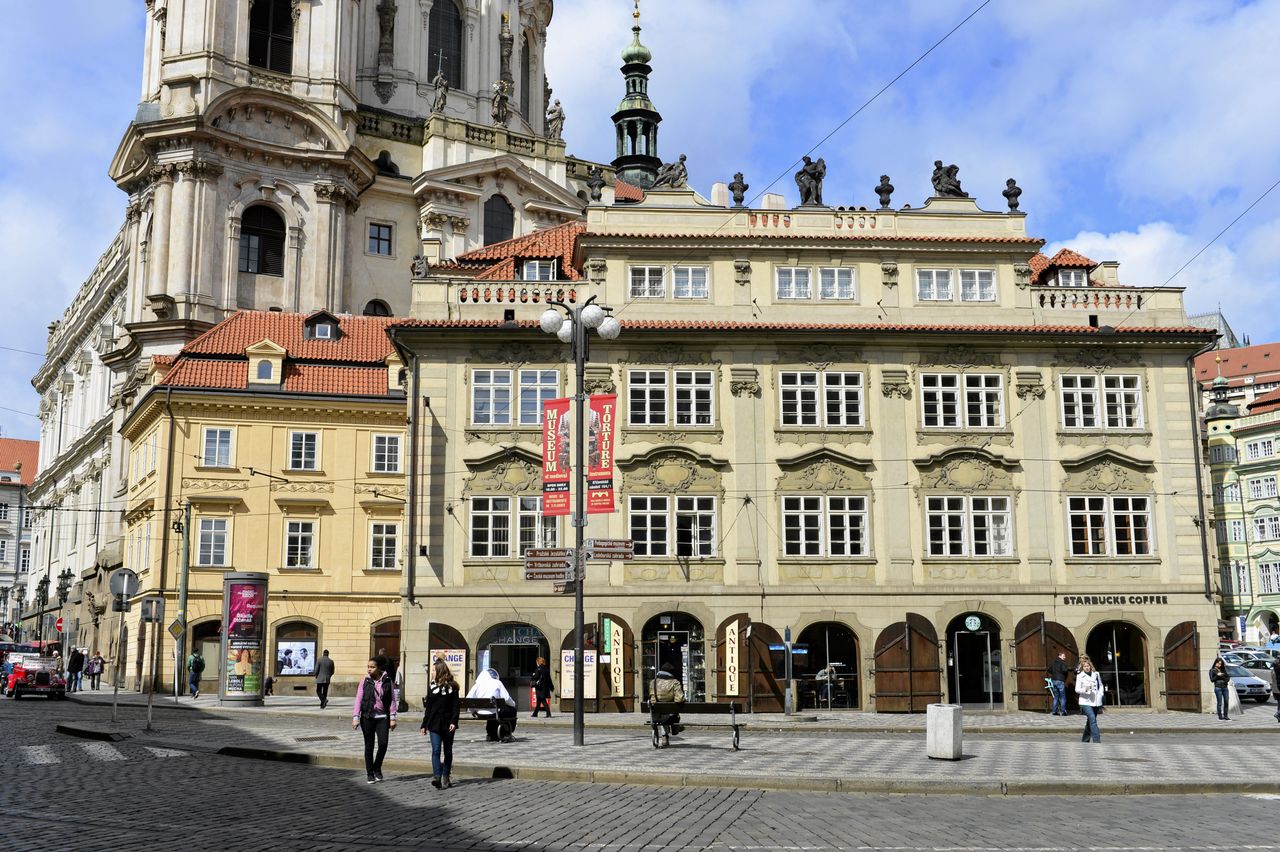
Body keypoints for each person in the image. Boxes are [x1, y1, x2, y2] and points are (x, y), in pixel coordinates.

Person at [352, 655, 398, 783]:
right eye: (368, 667)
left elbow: (392, 700)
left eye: (372, 667)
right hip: (367, 717)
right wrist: (355, 717)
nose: (369, 669)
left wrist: (393, 717)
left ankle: (377, 767)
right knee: (369, 746)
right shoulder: (365, 681)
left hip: (382, 717)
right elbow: (358, 699)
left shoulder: (387, 680)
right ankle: (370, 773)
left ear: (379, 668)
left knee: (383, 744)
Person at [420, 658, 461, 789]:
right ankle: (437, 776)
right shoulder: (432, 687)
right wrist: (424, 725)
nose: (431, 673)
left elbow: (456, 706)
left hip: (448, 723)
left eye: (433, 670)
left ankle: (446, 776)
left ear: (439, 671)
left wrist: (454, 722)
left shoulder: (453, 687)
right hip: (434, 723)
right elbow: (429, 708)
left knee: (447, 751)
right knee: (436, 750)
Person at [466, 668, 517, 742]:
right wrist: (513, 704)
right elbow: (506, 698)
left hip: (480, 713)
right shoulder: (497, 683)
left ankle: (491, 734)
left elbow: (468, 699)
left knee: (492, 710)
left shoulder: (477, 685)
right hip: (494, 712)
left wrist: (473, 711)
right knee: (511, 711)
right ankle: (507, 733)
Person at [650, 662, 685, 747]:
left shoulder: (653, 682)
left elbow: (652, 697)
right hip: (669, 714)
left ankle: (665, 736)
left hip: (656, 713)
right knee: (671, 713)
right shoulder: (675, 682)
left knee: (663, 712)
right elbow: (679, 699)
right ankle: (671, 731)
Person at [1075, 654, 1104, 743]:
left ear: (1090, 666)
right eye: (1084, 666)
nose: (1086, 668)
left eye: (1088, 666)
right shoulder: (1080, 676)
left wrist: (1101, 694)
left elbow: (1101, 685)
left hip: (1095, 700)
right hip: (1085, 701)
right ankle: (1097, 741)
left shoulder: (1096, 674)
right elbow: (1077, 689)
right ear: (1082, 668)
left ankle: (1085, 740)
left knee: (1090, 721)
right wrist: (1085, 689)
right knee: (1092, 719)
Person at [1047, 651, 1071, 716]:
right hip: (1060, 680)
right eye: (1064, 656)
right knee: (1063, 697)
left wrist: (1054, 673)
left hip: (1054, 680)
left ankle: (1054, 711)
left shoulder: (1053, 662)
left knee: (1056, 697)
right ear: (1060, 655)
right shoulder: (1062, 662)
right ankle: (1063, 712)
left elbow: (1049, 669)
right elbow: (1065, 670)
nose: (1065, 657)